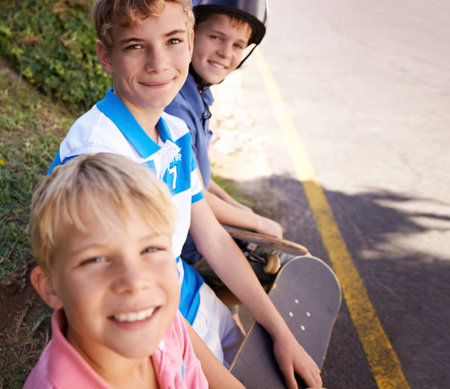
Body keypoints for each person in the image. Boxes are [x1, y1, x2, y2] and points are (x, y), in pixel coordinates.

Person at [48, 1, 322, 387]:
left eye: (173, 40)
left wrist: (280, 332)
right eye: (134, 46)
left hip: (186, 292)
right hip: (144, 324)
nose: (158, 63)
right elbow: (134, 296)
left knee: (254, 358)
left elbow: (212, 237)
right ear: (105, 56)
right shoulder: (100, 158)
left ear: (190, 43)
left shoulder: (174, 131)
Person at [24, 153, 210, 388]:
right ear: (51, 287)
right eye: (95, 259)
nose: (135, 281)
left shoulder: (161, 319)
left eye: (151, 248)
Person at [165, 0, 284, 266]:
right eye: (216, 37)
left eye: (238, 45)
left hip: (195, 231)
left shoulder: (198, 92)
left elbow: (198, 174)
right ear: (189, 35)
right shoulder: (176, 106)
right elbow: (192, 192)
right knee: (268, 269)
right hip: (181, 247)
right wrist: (257, 221)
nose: (225, 52)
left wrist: (236, 205)